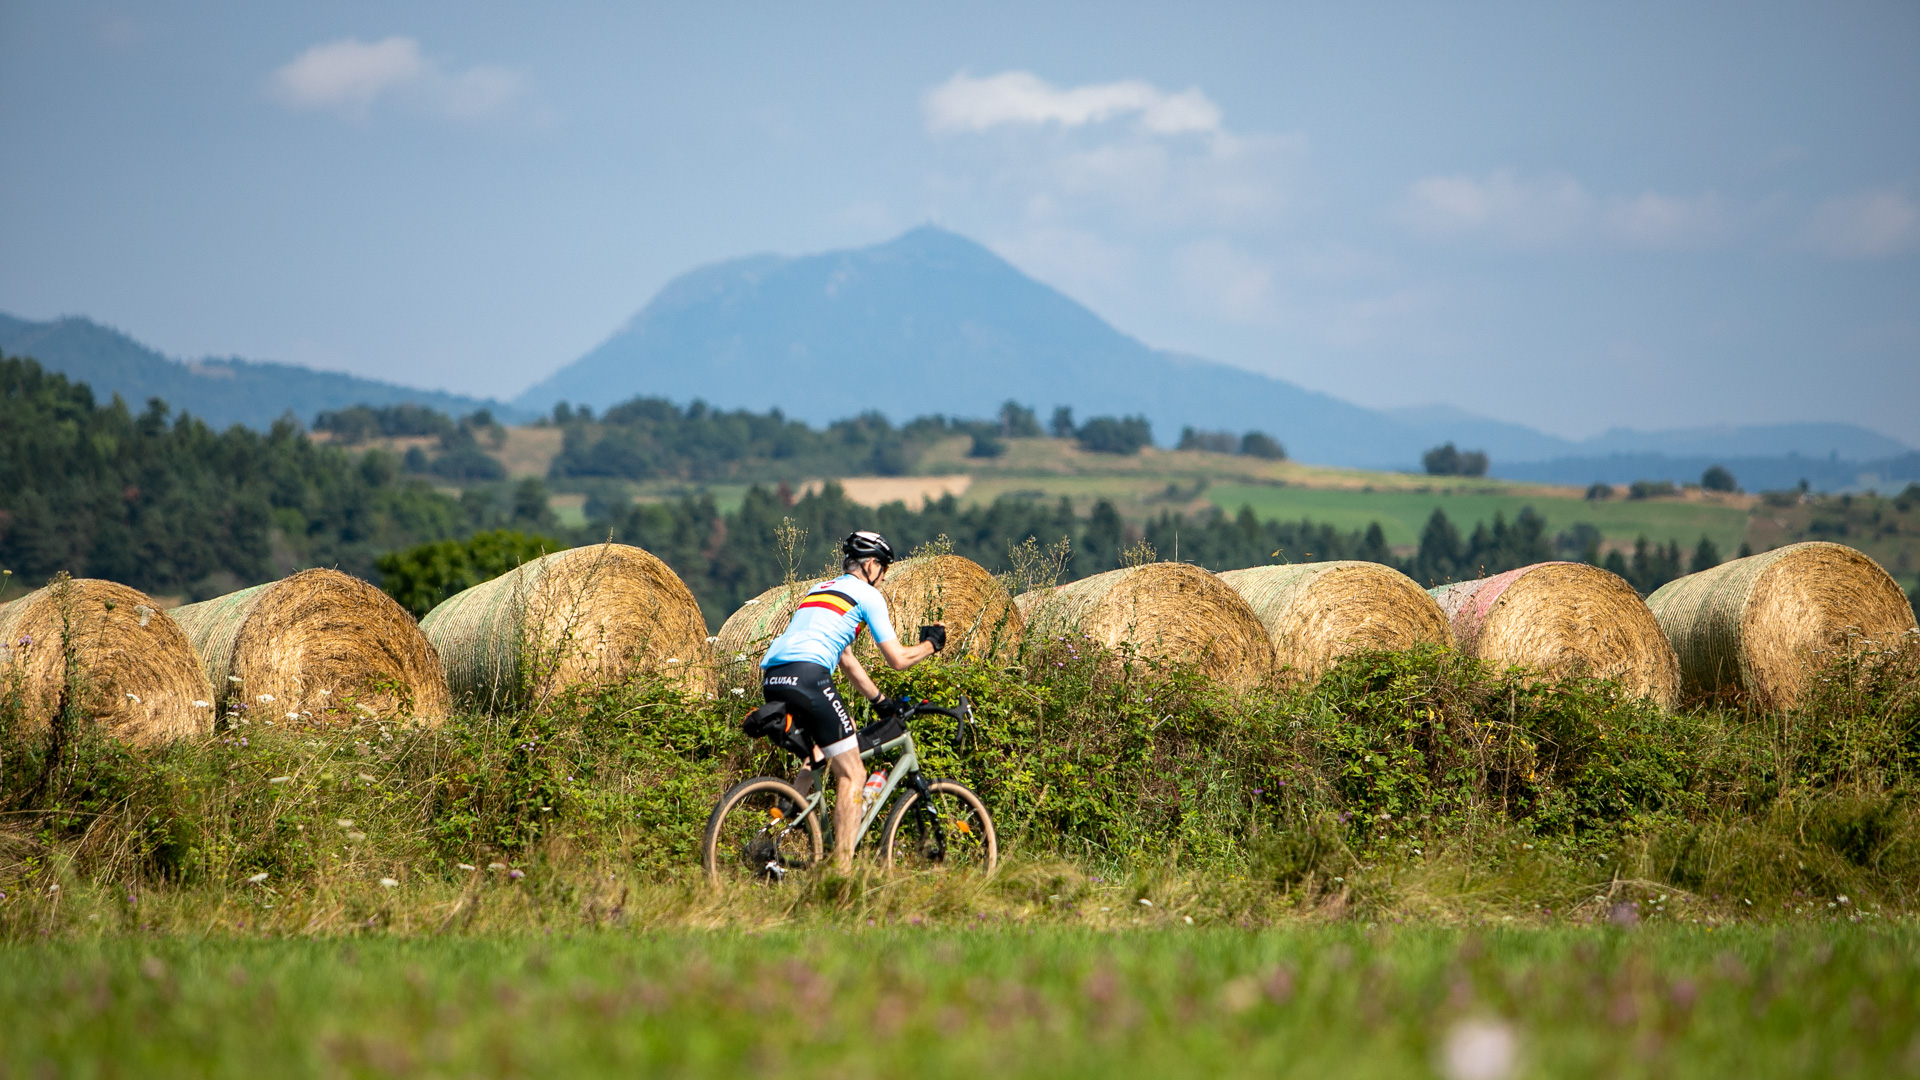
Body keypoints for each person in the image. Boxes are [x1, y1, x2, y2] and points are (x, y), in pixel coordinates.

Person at [760, 530, 945, 872]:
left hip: (773, 676)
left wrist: (878, 700)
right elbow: (898, 659)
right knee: (852, 773)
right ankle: (841, 873)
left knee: (820, 753)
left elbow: (845, 657)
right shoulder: (868, 595)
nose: (884, 578)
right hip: (809, 676)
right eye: (884, 571)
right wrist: (932, 644)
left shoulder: (820, 590)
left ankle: (772, 837)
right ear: (872, 565)